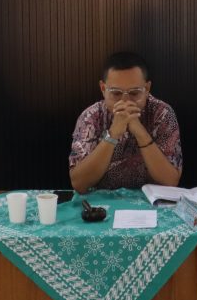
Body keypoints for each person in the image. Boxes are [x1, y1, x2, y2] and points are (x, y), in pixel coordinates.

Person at [69, 51, 183, 193]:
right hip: (102, 201)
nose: (125, 101)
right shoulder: (91, 116)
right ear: (103, 89)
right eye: (116, 93)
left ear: (147, 89)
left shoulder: (162, 113)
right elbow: (79, 183)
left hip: (150, 200)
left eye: (134, 93)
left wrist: (140, 131)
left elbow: (170, 181)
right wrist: (113, 134)